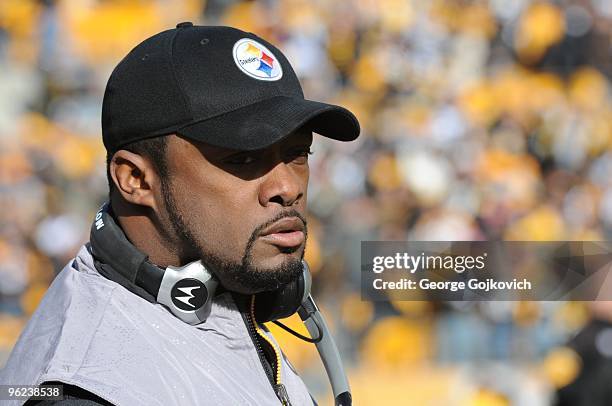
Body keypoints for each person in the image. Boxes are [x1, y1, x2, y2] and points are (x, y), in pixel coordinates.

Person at [0, 23, 359, 405]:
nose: (288, 187)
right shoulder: (85, 391)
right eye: (243, 158)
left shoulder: (222, 293)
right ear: (135, 179)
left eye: (297, 154)